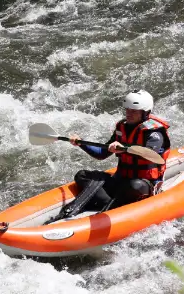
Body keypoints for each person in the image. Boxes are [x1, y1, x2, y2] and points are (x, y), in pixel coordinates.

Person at [57, 90, 171, 219]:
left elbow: (151, 155)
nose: (129, 113)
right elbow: (101, 154)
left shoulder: (154, 133)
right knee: (82, 176)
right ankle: (109, 203)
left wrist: (125, 149)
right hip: (120, 181)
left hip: (144, 185)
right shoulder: (122, 127)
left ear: (145, 113)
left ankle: (106, 211)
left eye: (134, 111)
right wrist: (81, 143)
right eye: (127, 109)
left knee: (134, 185)